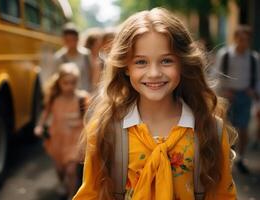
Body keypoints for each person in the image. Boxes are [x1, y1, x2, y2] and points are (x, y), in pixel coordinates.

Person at [73, 8, 237, 200]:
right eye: (141, 62)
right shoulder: (105, 129)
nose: (154, 73)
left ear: (183, 63)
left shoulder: (210, 129)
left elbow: (223, 195)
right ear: (125, 67)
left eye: (166, 61)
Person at [34, 63, 89, 199]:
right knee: (60, 170)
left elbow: (89, 119)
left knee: (71, 170)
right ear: (59, 82)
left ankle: (72, 195)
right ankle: (63, 183)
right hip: (58, 140)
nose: (70, 87)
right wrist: (39, 126)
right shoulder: (54, 99)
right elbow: (45, 113)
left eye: (73, 83)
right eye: (66, 83)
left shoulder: (81, 99)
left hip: (74, 140)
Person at [216, 25, 260, 174]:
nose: (243, 42)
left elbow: (256, 77)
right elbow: (218, 75)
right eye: (241, 39)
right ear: (235, 39)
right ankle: (225, 157)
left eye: (246, 39)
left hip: (245, 95)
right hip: (228, 95)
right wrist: (224, 90)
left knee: (244, 127)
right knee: (226, 127)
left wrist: (253, 91)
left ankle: (240, 158)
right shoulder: (226, 55)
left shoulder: (253, 58)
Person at [54, 23, 93, 92]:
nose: (70, 43)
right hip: (67, 95)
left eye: (73, 40)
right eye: (67, 40)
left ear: (77, 39)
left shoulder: (86, 54)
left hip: (84, 93)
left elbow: (90, 75)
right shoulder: (59, 57)